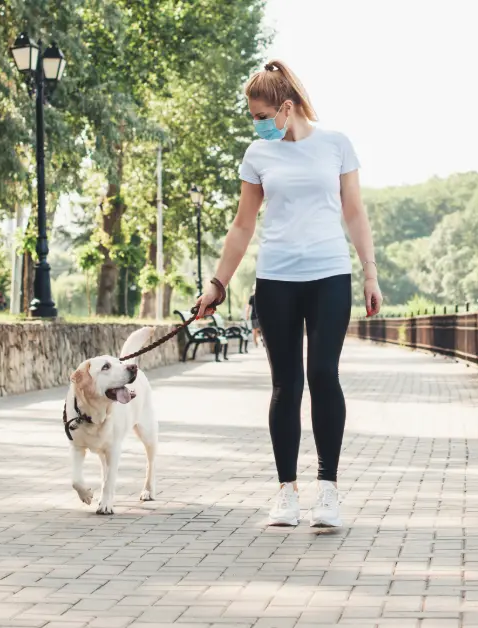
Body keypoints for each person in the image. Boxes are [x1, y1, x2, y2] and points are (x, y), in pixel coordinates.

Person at [193, 59, 383, 528]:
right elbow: (242, 226)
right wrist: (217, 283)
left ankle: (329, 493)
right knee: (286, 384)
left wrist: (370, 272)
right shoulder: (258, 155)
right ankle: (286, 493)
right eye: (252, 117)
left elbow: (354, 212)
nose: (257, 124)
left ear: (287, 107)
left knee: (323, 375)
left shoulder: (336, 145)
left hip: (329, 275)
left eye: (261, 115)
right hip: (276, 278)